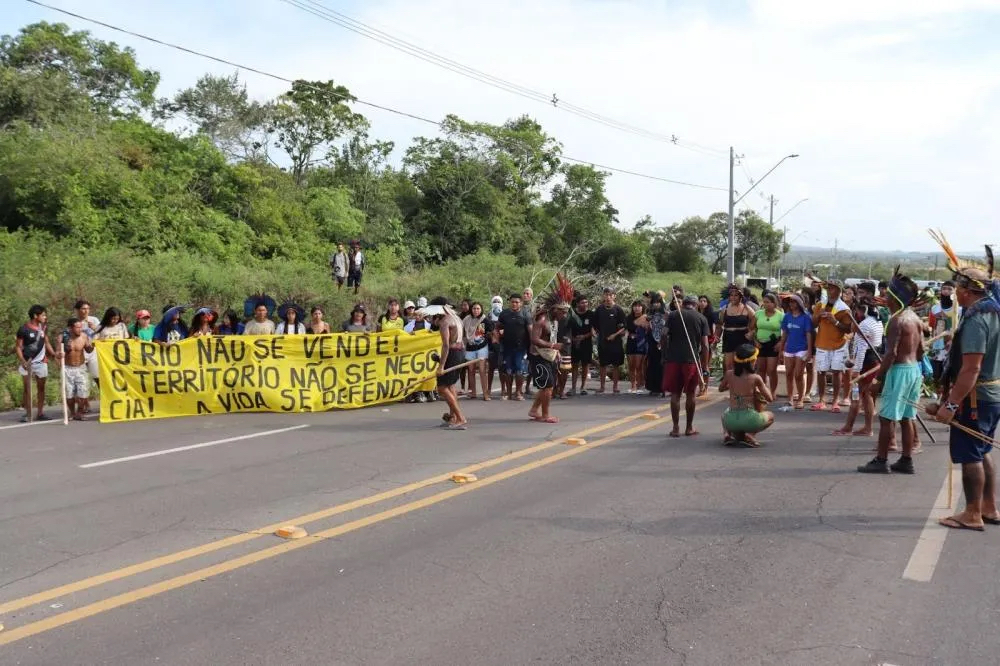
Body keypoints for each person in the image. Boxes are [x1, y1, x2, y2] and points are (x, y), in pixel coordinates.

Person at [925, 236, 1000, 530]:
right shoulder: (993, 313)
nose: (954, 291)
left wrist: (951, 405)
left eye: (957, 287)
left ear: (967, 291)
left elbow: (971, 369)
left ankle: (972, 514)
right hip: (990, 395)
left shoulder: (977, 320)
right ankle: (989, 507)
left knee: (971, 454)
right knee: (982, 450)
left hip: (975, 398)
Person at [858, 268, 926, 474]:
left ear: (895, 298)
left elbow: (891, 354)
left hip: (900, 371)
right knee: (906, 417)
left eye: (888, 294)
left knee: (887, 417)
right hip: (914, 370)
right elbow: (922, 351)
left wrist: (878, 379)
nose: (884, 297)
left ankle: (881, 460)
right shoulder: (914, 318)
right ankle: (906, 460)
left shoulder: (896, 320)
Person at [832, 297, 883, 437]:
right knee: (866, 396)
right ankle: (867, 428)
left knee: (856, 396)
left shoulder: (865, 325)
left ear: (863, 310)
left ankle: (848, 427)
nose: (856, 314)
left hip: (865, 364)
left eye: (857, 311)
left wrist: (856, 370)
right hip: (873, 362)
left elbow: (862, 349)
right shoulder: (877, 322)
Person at [663, 295, 710, 437]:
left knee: (675, 394)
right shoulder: (701, 318)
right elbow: (705, 345)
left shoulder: (673, 315)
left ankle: (675, 428)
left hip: (673, 360)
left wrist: (665, 354)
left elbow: (664, 335)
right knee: (690, 393)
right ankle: (689, 428)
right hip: (692, 361)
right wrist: (705, 365)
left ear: (683, 304)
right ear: (696, 305)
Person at [528, 276, 574, 423]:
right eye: (562, 312)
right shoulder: (542, 320)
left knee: (547, 386)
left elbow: (551, 338)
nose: (564, 315)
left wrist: (556, 351)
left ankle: (534, 410)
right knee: (547, 387)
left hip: (549, 355)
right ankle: (545, 415)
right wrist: (553, 347)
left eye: (566, 312)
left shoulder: (555, 320)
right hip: (538, 356)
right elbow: (534, 339)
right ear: (554, 309)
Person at [423, 297, 467, 430]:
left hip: (452, 353)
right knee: (450, 385)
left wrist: (441, 366)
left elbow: (446, 345)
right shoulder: (456, 318)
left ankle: (460, 418)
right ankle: (453, 417)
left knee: (442, 387)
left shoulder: (445, 321)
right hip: (460, 352)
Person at [719, 343, 775, 447]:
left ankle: (727, 434)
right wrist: (761, 387)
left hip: (730, 422)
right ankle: (750, 434)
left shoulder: (729, 374)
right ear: (753, 361)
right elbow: (770, 398)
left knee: (725, 413)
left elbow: (720, 389)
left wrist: (732, 386)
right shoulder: (756, 378)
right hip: (749, 420)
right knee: (771, 416)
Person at [811, 280, 852, 413]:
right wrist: (818, 315)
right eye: (828, 288)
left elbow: (848, 329)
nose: (829, 291)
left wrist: (835, 321)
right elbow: (813, 324)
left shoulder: (844, 309)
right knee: (821, 372)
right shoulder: (820, 305)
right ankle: (821, 400)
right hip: (822, 343)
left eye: (832, 288)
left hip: (839, 345)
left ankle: (835, 401)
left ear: (839, 291)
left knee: (837, 372)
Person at [15, 305, 61, 422]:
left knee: (41, 388)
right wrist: (23, 361)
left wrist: (54, 354)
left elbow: (46, 342)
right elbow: (18, 347)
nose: (45, 317)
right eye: (43, 315)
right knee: (27, 389)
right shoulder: (23, 329)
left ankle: (40, 413)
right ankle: (28, 413)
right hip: (27, 363)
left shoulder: (43, 327)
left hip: (41, 362)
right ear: (36, 316)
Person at [779, 294, 813, 410]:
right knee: (789, 373)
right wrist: (781, 349)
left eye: (794, 302)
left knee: (798, 374)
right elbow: (785, 333)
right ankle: (790, 398)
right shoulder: (787, 316)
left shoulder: (806, 317)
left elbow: (809, 334)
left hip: (802, 349)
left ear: (799, 303)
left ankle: (800, 399)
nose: (791, 304)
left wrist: (809, 351)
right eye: (790, 302)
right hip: (789, 349)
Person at [497, 293, 530, 401]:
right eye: (512, 302)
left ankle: (518, 392)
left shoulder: (525, 314)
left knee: (520, 370)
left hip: (521, 348)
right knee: (508, 370)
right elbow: (497, 327)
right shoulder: (504, 314)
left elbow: (530, 330)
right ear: (509, 303)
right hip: (507, 347)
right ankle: (509, 393)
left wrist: (532, 345)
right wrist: (497, 336)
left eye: (517, 302)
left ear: (521, 303)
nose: (514, 304)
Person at [929, 280, 961, 391]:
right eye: (944, 288)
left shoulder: (959, 309)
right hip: (937, 345)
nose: (946, 291)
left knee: (950, 373)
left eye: (949, 289)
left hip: (952, 345)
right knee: (937, 373)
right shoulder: (935, 308)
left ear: (955, 291)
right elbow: (932, 326)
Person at [594, 287, 627, 394]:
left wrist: (615, 335)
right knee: (602, 365)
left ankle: (615, 387)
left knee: (615, 365)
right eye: (606, 295)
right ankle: (602, 387)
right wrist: (595, 332)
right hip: (602, 342)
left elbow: (623, 327)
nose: (608, 297)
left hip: (615, 342)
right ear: (603, 296)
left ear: (614, 296)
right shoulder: (599, 309)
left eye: (610, 295)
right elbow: (594, 324)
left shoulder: (618, 309)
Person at [63, 317, 94, 421]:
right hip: (68, 368)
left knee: (83, 391)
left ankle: (80, 412)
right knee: (69, 393)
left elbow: (89, 350)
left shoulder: (84, 336)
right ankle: (72, 413)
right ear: (70, 328)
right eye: (77, 327)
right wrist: (62, 352)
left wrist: (92, 345)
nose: (80, 329)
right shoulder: (63, 338)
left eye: (81, 327)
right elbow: (57, 353)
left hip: (81, 367)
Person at [754, 293, 783, 397]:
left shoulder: (780, 315)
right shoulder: (758, 314)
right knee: (761, 369)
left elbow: (785, 331)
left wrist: (780, 343)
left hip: (774, 344)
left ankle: (773, 391)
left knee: (771, 370)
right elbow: (752, 328)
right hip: (760, 344)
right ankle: (763, 391)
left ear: (774, 303)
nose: (765, 304)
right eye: (764, 302)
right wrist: (755, 341)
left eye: (768, 302)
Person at [462, 302, 492, 400]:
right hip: (470, 347)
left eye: (478, 308)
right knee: (471, 371)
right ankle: (473, 393)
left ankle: (485, 394)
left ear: (481, 309)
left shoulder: (484, 320)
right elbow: (462, 331)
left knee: (482, 371)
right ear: (471, 309)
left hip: (481, 347)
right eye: (474, 308)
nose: (476, 310)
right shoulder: (466, 319)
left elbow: (488, 332)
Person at [568, 295, 596, 396]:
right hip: (574, 342)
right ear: (577, 304)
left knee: (585, 364)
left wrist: (584, 336)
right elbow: (567, 328)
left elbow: (594, 330)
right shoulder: (571, 314)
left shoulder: (591, 314)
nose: (585, 304)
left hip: (586, 342)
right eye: (582, 303)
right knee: (574, 365)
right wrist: (573, 339)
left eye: (586, 302)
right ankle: (573, 387)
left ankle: (583, 387)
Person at [643, 292, 668, 397]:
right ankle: (653, 387)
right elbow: (645, 323)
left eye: (658, 302)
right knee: (652, 363)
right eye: (654, 302)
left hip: (664, 340)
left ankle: (664, 387)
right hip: (652, 340)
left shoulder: (666, 312)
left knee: (662, 364)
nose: (656, 304)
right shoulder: (650, 313)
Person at [625, 300, 648, 394]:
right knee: (631, 365)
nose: (637, 308)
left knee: (639, 366)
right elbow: (627, 328)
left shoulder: (646, 317)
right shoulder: (628, 318)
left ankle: (639, 385)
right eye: (635, 306)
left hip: (641, 343)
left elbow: (647, 328)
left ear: (642, 307)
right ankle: (633, 386)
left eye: (639, 306)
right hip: (631, 342)